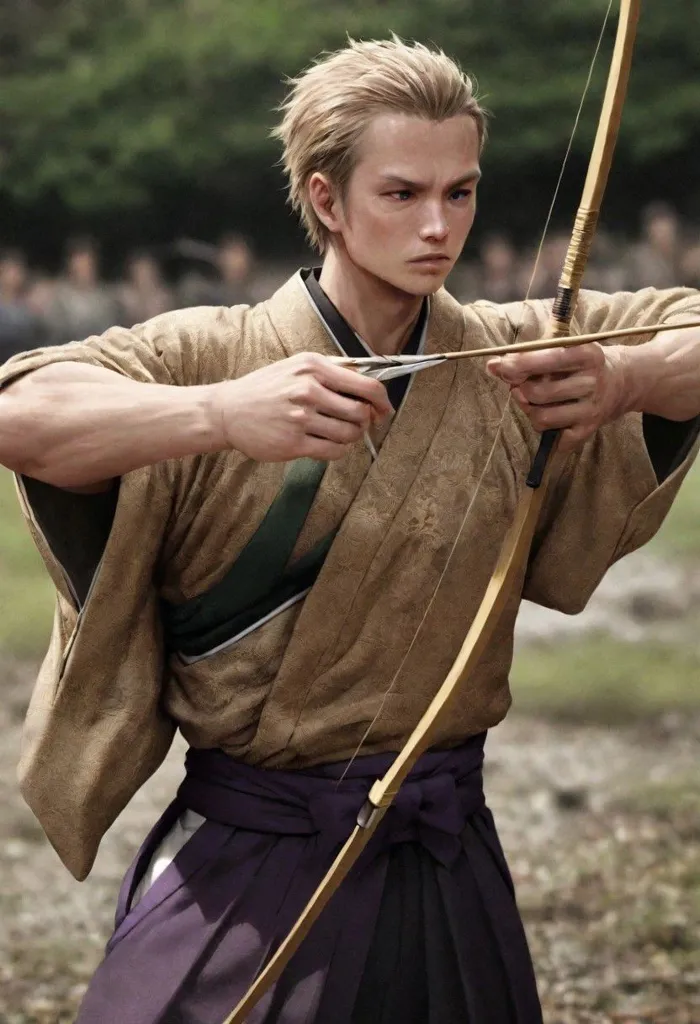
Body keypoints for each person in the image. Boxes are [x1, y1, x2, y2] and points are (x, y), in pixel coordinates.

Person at [0, 38, 699, 1024]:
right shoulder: (217, 353)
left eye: (460, 193)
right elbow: (22, 408)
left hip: (444, 837)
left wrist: (626, 378)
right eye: (403, 194)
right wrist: (220, 414)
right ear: (326, 200)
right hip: (252, 847)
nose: (438, 227)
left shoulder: (507, 353)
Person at [46, 236, 122, 344]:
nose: (83, 271)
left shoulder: (107, 299)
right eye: (79, 266)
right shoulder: (59, 297)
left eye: (87, 265)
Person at [0, 249, 46, 362]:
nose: (14, 276)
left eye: (17, 271)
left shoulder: (28, 306)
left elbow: (37, 337)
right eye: (10, 271)